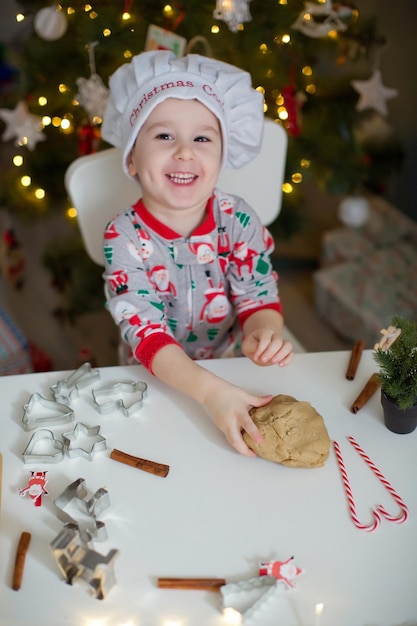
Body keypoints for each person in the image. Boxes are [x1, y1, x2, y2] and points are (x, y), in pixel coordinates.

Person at [101, 50, 294, 456]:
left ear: (222, 156)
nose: (185, 152)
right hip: (152, 376)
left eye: (202, 138)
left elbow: (258, 296)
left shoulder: (238, 219)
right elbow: (149, 336)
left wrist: (262, 331)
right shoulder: (123, 237)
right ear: (132, 158)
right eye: (164, 135)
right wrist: (210, 393)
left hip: (229, 366)